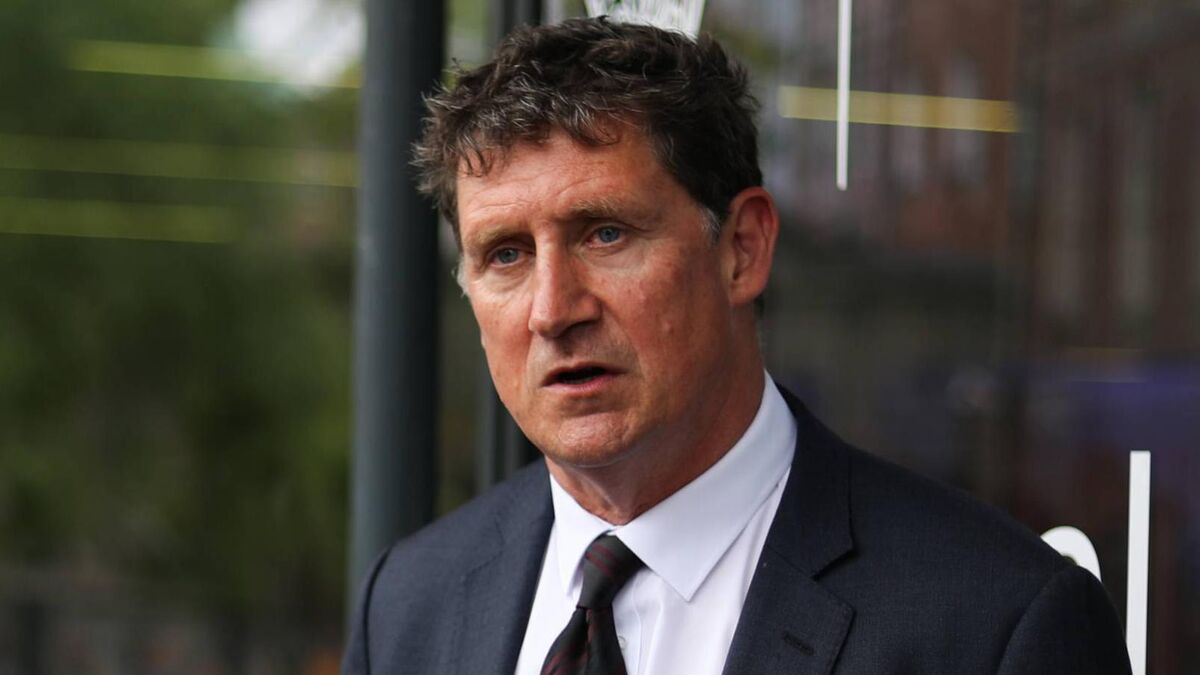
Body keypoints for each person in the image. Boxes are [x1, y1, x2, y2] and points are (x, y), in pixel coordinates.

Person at [343, 17, 1131, 675]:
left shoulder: (998, 624)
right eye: (506, 254)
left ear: (743, 249)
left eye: (606, 233)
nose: (553, 310)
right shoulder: (409, 603)